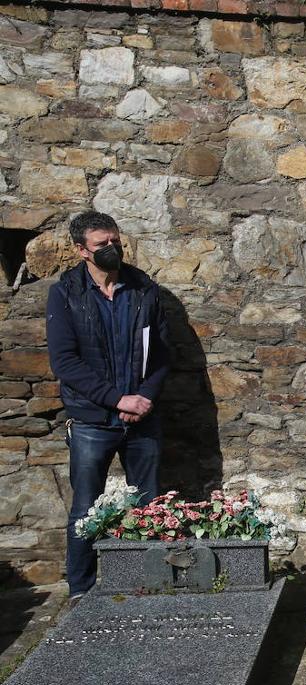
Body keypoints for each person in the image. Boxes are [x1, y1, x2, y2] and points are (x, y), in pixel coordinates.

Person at [47, 210, 170, 601]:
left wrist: (144, 397)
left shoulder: (143, 289)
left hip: (142, 418)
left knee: (149, 504)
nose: (113, 249)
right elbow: (65, 362)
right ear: (81, 250)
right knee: (85, 507)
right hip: (91, 420)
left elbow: (163, 354)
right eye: (102, 245)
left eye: (115, 241)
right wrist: (117, 399)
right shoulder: (66, 293)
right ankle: (81, 588)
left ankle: (148, 581)